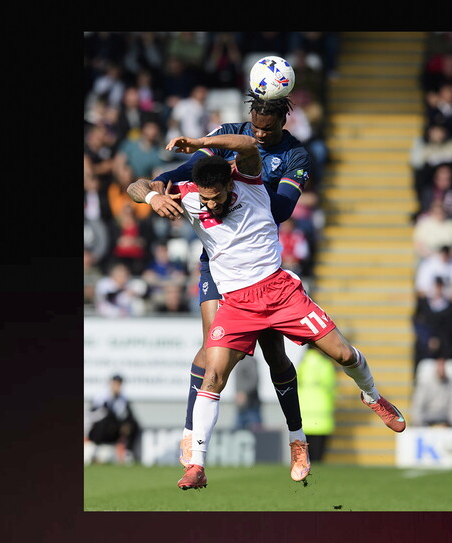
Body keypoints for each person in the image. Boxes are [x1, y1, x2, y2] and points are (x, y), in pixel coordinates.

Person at [128, 133, 406, 490]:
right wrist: (152, 197)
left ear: (231, 182)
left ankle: (372, 396)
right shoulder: (192, 196)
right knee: (213, 377)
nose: (212, 206)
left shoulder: (249, 180)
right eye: (206, 200)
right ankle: (197, 465)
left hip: (279, 292)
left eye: (217, 198)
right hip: (237, 304)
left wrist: (199, 141)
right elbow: (136, 185)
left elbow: (245, 145)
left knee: (343, 354)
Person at [149, 92, 313, 474]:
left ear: (281, 124)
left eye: (267, 129)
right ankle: (191, 434)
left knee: (275, 355)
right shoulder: (227, 133)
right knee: (209, 351)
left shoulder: (295, 155)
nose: (259, 132)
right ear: (250, 115)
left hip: (257, 264)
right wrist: (159, 188)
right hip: (216, 259)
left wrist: (241, 188)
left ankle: (297, 439)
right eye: (255, 125)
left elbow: (282, 209)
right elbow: (190, 171)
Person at [296, 346, 337, 463]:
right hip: (322, 419)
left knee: (304, 460)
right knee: (318, 460)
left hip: (304, 419)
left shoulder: (301, 365)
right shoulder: (326, 365)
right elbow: (332, 388)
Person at [87, 375, 141, 464]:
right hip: (98, 429)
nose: (117, 387)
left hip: (114, 430)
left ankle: (128, 453)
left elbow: (128, 416)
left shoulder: (123, 399)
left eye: (119, 385)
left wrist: (126, 425)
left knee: (133, 424)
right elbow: (92, 415)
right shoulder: (100, 397)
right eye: (115, 384)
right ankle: (94, 451)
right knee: (104, 420)